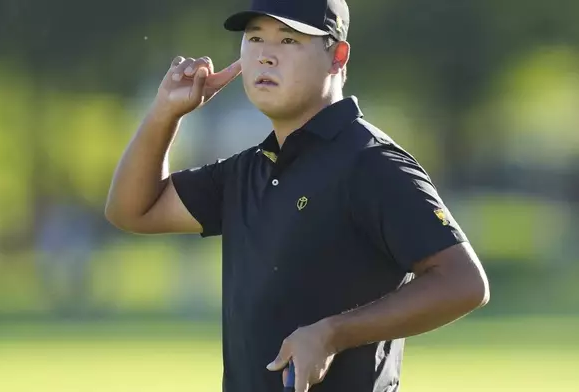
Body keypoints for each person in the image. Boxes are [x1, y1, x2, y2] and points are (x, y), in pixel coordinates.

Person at [105, 0, 490, 391]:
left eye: (289, 40)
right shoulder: (250, 169)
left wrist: (332, 333)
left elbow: (464, 283)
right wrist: (164, 113)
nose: (265, 56)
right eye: (255, 38)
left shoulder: (372, 163)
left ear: (337, 57)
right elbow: (132, 211)